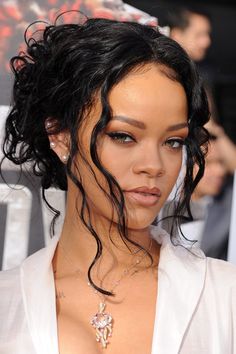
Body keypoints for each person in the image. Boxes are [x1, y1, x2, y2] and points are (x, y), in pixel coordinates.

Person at [0, 15, 235, 354]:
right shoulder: (7, 306)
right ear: (60, 135)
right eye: (123, 136)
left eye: (172, 141)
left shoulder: (225, 298)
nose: (153, 166)